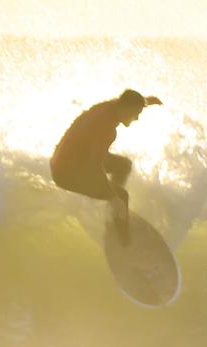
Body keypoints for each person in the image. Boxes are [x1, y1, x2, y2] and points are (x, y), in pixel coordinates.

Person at [50, 89, 162, 244]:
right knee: (121, 196)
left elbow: (126, 100)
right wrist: (113, 197)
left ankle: (113, 212)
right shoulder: (105, 128)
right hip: (67, 173)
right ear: (126, 108)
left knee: (123, 165)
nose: (136, 118)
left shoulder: (111, 107)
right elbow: (93, 167)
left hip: (67, 159)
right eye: (136, 113)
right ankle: (123, 241)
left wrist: (147, 101)